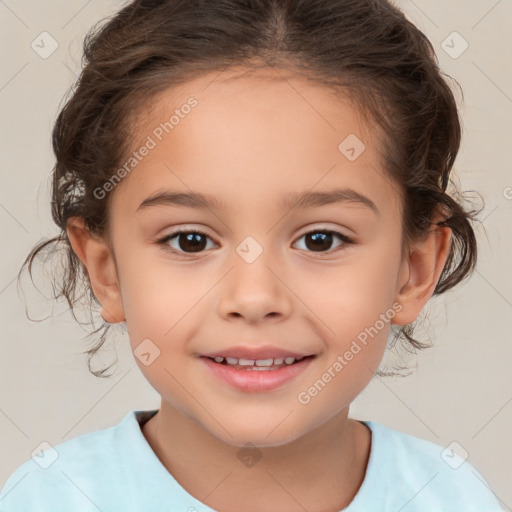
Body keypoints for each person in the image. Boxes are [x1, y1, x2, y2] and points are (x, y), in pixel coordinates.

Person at [0, 0, 504, 510]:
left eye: (320, 239)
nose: (254, 298)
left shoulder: (455, 497)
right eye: (190, 240)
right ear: (105, 272)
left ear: (413, 272)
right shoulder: (49, 498)